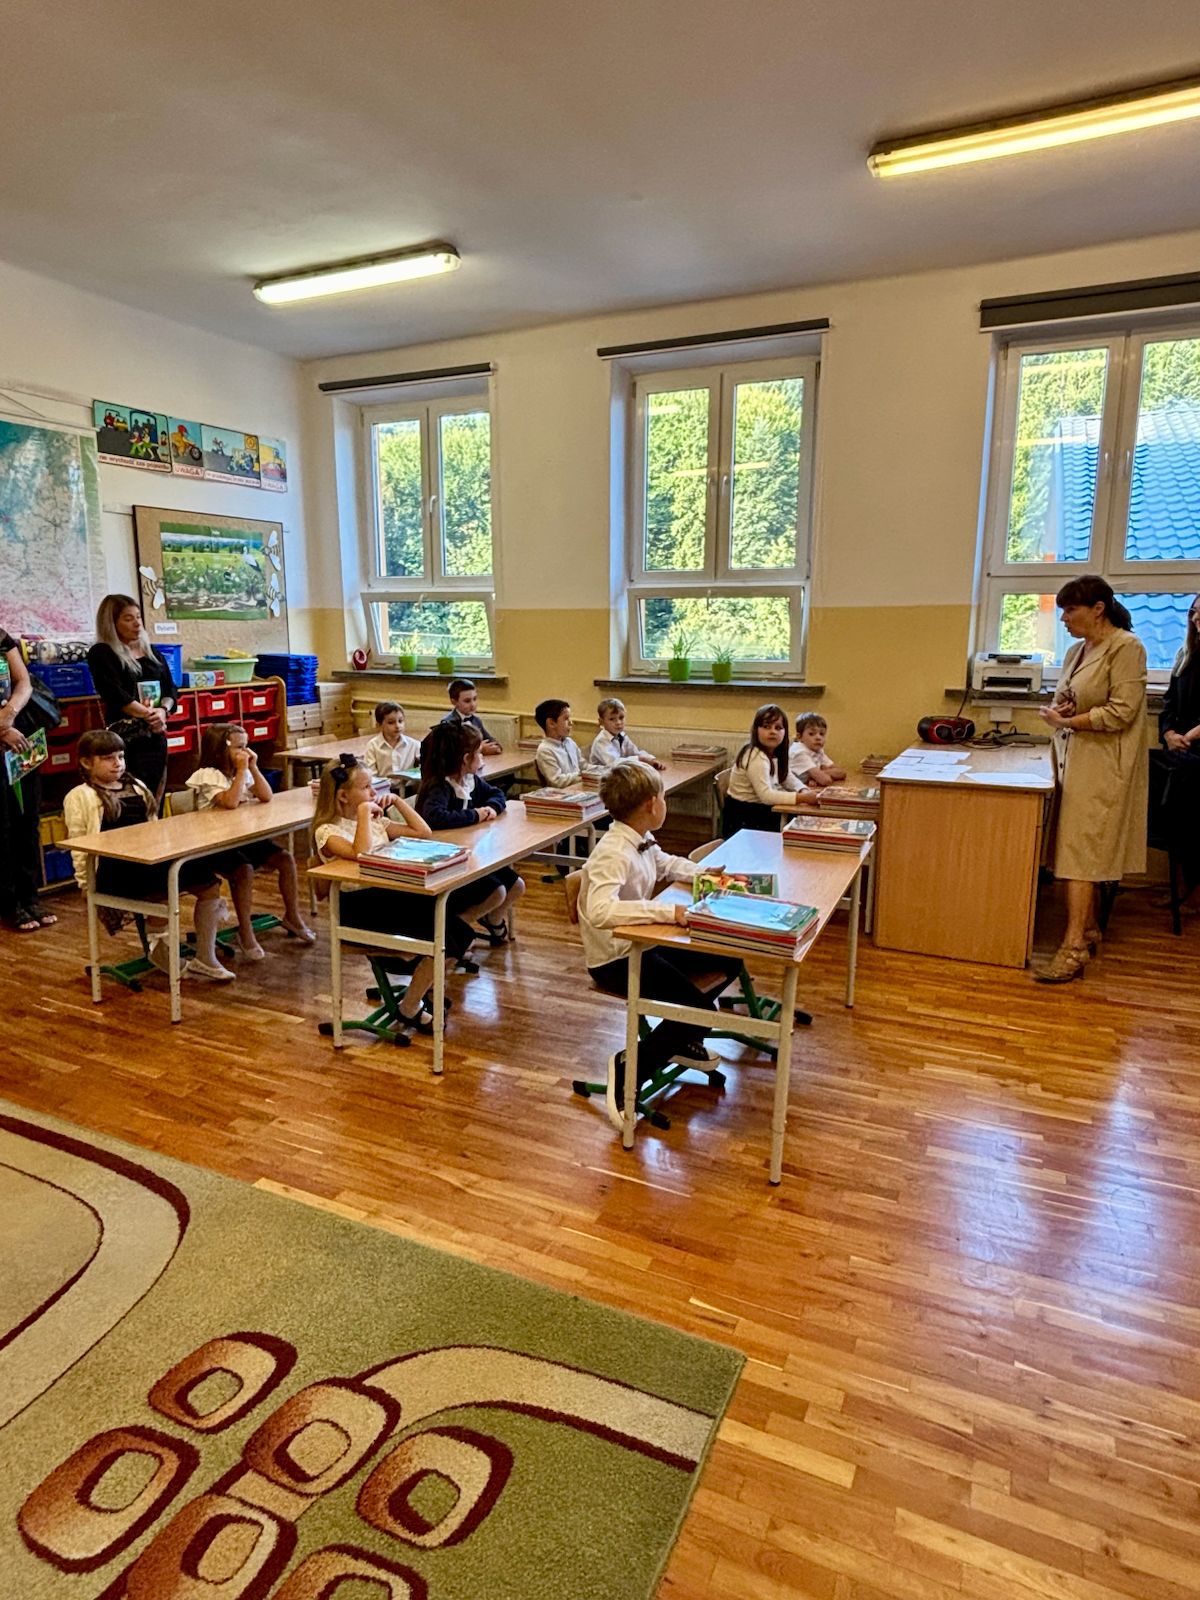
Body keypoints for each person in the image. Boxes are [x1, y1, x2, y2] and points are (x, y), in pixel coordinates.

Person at [578, 761, 741, 1117]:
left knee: (729, 959)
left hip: (644, 944)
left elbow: (664, 863)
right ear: (652, 804)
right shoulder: (613, 851)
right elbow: (600, 911)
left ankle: (679, 1039)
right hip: (616, 959)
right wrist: (667, 912)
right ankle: (630, 1067)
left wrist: (704, 873)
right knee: (699, 1012)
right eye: (664, 797)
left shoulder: (638, 837)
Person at [1036, 576, 1148, 983]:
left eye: (1071, 610)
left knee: (1081, 855)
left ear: (1098, 609)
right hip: (1073, 758)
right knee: (1074, 847)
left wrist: (1068, 721)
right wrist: (1063, 710)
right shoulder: (1076, 650)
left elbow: (1121, 712)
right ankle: (1087, 928)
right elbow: (1068, 696)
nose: (1064, 618)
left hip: (1103, 765)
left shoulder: (1127, 647)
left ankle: (1073, 949)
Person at [313, 754, 474, 1033]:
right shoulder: (327, 831)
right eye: (366, 788)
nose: (373, 792)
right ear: (343, 796)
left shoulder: (375, 822)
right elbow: (361, 853)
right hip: (358, 908)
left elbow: (423, 833)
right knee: (445, 936)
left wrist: (398, 802)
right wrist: (364, 814)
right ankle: (413, 1004)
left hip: (387, 896)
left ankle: (413, 1000)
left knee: (457, 933)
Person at [64, 729, 232, 981]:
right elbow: (79, 845)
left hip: (147, 861)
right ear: (87, 763)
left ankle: (205, 957)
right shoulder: (80, 796)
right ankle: (161, 951)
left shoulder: (137, 786)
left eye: (121, 757)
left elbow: (152, 826)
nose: (117, 763)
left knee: (207, 882)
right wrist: (85, 883)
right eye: (108, 758)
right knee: (159, 892)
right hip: (114, 870)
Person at [186, 723, 315, 959]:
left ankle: (293, 916)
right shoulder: (208, 775)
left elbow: (266, 795)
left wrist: (253, 768)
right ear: (220, 750)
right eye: (239, 747)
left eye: (246, 746)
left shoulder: (243, 771)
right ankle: (245, 931)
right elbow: (230, 802)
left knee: (285, 859)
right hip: (215, 842)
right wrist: (241, 770)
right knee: (243, 870)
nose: (245, 752)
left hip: (242, 836)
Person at [414, 721, 523, 942]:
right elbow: (435, 817)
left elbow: (497, 794)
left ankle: (492, 920)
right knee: (497, 892)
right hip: (445, 863)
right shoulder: (440, 786)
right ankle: (455, 934)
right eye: (479, 753)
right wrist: (475, 815)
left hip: (468, 856)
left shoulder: (470, 780)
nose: (482, 758)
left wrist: (491, 808)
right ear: (465, 759)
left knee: (516, 885)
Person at [87, 594, 180, 801]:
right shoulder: (102, 653)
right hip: (126, 738)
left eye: (138, 617)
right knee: (131, 795)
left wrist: (163, 711)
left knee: (155, 795)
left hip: (155, 733)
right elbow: (115, 694)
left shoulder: (152, 652)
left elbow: (171, 689)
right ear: (112, 623)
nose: (137, 623)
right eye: (128, 619)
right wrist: (150, 715)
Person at [0, 629, 56, 933]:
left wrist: (9, 715)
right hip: (5, 736)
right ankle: (10, 903)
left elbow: (24, 682)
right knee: (3, 826)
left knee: (28, 820)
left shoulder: (1, 637)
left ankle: (31, 896)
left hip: (20, 736)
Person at [1154, 592, 1200, 911]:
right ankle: (1181, 887)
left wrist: (1192, 735)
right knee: (1177, 824)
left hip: (1197, 749)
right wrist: (1169, 733)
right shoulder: (1186, 654)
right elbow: (1169, 702)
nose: (1196, 619)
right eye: (1193, 613)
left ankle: (1196, 895)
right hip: (1180, 750)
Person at [723, 704, 813, 836]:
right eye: (766, 726)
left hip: (760, 811)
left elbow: (786, 776)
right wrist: (802, 798)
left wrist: (802, 789)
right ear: (756, 730)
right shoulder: (755, 755)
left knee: (803, 820)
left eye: (778, 728)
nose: (773, 732)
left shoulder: (775, 752)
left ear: (785, 732)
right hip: (745, 818)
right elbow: (766, 796)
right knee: (799, 824)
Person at [588, 697, 664, 770]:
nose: (618, 722)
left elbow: (635, 752)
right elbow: (614, 763)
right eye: (612, 719)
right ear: (601, 722)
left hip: (618, 774)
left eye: (621, 718)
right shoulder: (601, 741)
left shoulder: (622, 736)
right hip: (600, 777)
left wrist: (651, 759)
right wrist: (640, 759)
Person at [363, 701, 421, 783]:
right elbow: (371, 776)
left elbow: (428, 763)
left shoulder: (414, 744)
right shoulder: (372, 746)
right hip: (382, 788)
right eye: (391, 723)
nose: (397, 726)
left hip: (407, 788)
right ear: (379, 725)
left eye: (400, 721)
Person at [441, 679, 502, 755]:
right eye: (467, 701)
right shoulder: (448, 723)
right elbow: (451, 751)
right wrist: (480, 749)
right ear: (454, 702)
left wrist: (496, 747)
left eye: (475, 699)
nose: (473, 704)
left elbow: (491, 741)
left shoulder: (476, 720)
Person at [534, 698, 586, 788]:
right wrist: (582, 776)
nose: (571, 723)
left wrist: (599, 771)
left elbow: (583, 765)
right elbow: (557, 781)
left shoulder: (570, 742)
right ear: (551, 723)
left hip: (578, 788)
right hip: (563, 793)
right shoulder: (545, 750)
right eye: (566, 719)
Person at [789, 713, 847, 788]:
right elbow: (826, 780)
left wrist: (816, 776)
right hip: (786, 791)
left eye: (822, 734)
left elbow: (842, 773)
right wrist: (822, 774)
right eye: (811, 734)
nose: (818, 737)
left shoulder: (817, 750)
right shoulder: (799, 752)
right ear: (799, 737)